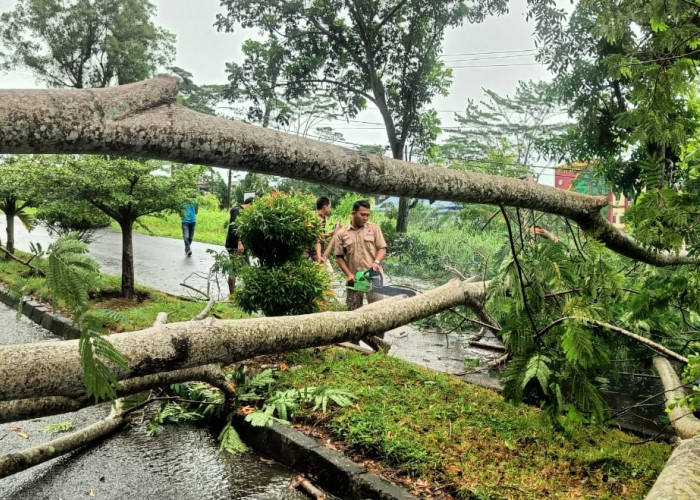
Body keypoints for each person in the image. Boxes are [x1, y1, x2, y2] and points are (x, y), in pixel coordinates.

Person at [334, 199, 387, 311]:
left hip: (373, 276)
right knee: (354, 311)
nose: (365, 218)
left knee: (379, 310)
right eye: (362, 215)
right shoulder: (342, 233)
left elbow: (382, 248)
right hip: (355, 278)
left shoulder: (374, 228)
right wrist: (348, 274)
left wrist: (376, 262)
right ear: (353, 213)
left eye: (368, 215)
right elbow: (339, 257)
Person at [225, 197, 254, 296]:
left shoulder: (243, 212)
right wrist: (239, 242)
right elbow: (234, 227)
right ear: (250, 204)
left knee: (246, 268)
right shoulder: (237, 211)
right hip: (235, 246)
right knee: (234, 269)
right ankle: (232, 295)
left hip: (242, 247)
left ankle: (248, 293)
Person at [309, 196, 335, 263]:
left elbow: (321, 234)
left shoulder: (321, 218)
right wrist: (333, 232)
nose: (330, 209)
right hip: (315, 254)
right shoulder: (318, 219)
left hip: (318, 253)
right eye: (330, 206)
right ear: (325, 207)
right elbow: (319, 237)